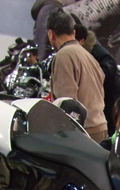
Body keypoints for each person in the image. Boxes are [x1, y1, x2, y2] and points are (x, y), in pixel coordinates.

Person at [47, 9, 108, 142]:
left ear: (51, 34)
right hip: (100, 126)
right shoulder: (88, 55)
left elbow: (67, 103)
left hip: (82, 133)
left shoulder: (63, 56)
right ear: (73, 32)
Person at [74, 24, 120, 134]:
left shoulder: (95, 51)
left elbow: (110, 66)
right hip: (104, 95)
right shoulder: (88, 50)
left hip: (110, 95)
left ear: (81, 40)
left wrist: (90, 76)